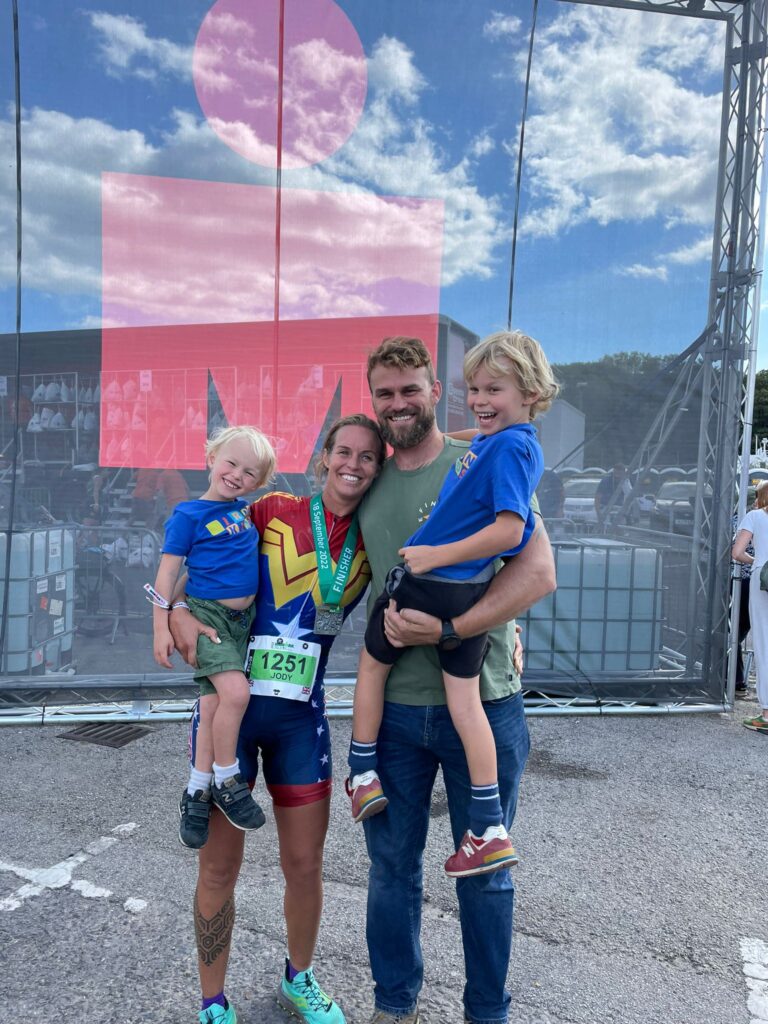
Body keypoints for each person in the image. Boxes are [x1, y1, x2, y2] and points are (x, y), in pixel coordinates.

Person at [357, 335, 556, 1024]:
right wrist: (180, 609)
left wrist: (450, 631)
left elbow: (538, 572)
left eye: (412, 389)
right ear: (373, 400)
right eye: (385, 393)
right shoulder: (368, 477)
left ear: (432, 392)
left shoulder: (483, 457)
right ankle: (393, 1004)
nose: (399, 402)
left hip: (484, 699)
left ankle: (487, 1014)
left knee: (486, 878)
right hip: (398, 715)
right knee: (390, 871)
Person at [169, 414, 384, 1024]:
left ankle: (299, 979)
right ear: (324, 457)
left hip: (300, 722)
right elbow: (192, 566)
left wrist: (509, 624)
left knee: (304, 865)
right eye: (343, 451)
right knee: (217, 865)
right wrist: (177, 613)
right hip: (229, 717)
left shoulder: (376, 533)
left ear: (378, 469)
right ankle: (213, 1002)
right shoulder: (269, 510)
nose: (352, 464)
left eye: (367, 457)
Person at [149, 426, 276, 847]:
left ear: (258, 482)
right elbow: (168, 573)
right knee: (236, 696)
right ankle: (228, 778)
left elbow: (201, 568)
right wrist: (163, 625)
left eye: (249, 471)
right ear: (210, 459)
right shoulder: (187, 514)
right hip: (209, 620)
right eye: (230, 462)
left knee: (212, 705)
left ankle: (197, 791)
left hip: (241, 624)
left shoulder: (241, 512)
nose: (237, 474)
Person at [732, 480, 768, 730]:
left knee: (764, 643)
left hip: (762, 578)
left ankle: (766, 715)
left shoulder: (755, 516)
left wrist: (757, 560)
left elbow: (737, 552)